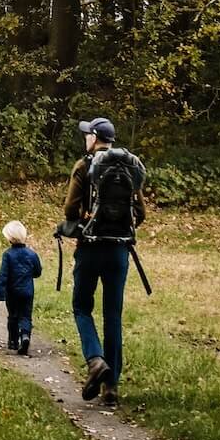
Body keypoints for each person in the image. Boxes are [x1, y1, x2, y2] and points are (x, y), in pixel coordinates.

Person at [62, 115, 146, 408]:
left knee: (81, 307)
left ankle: (96, 360)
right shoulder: (129, 166)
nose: (85, 137)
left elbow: (70, 210)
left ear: (94, 138)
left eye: (87, 134)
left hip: (89, 248)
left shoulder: (85, 166)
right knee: (113, 314)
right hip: (119, 251)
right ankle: (111, 387)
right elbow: (141, 213)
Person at [0, 218, 42, 354]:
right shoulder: (32, 254)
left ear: (9, 239)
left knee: (13, 316)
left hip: (12, 292)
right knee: (26, 316)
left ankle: (13, 342)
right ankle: (25, 336)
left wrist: (1, 293)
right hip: (28, 291)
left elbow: (3, 276)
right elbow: (38, 272)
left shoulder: (8, 255)